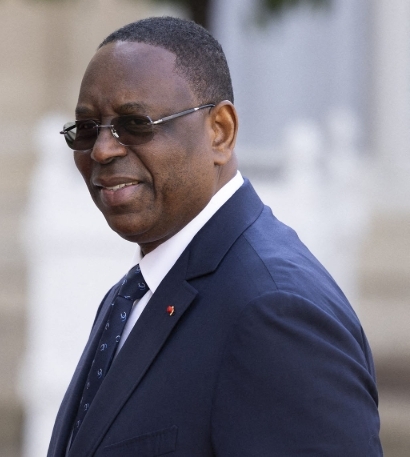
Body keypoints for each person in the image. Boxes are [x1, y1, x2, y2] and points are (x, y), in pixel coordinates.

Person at [48, 17, 382, 457]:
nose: (103, 149)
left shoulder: (275, 310)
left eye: (135, 123)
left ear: (220, 132)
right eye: (87, 129)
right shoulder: (133, 294)